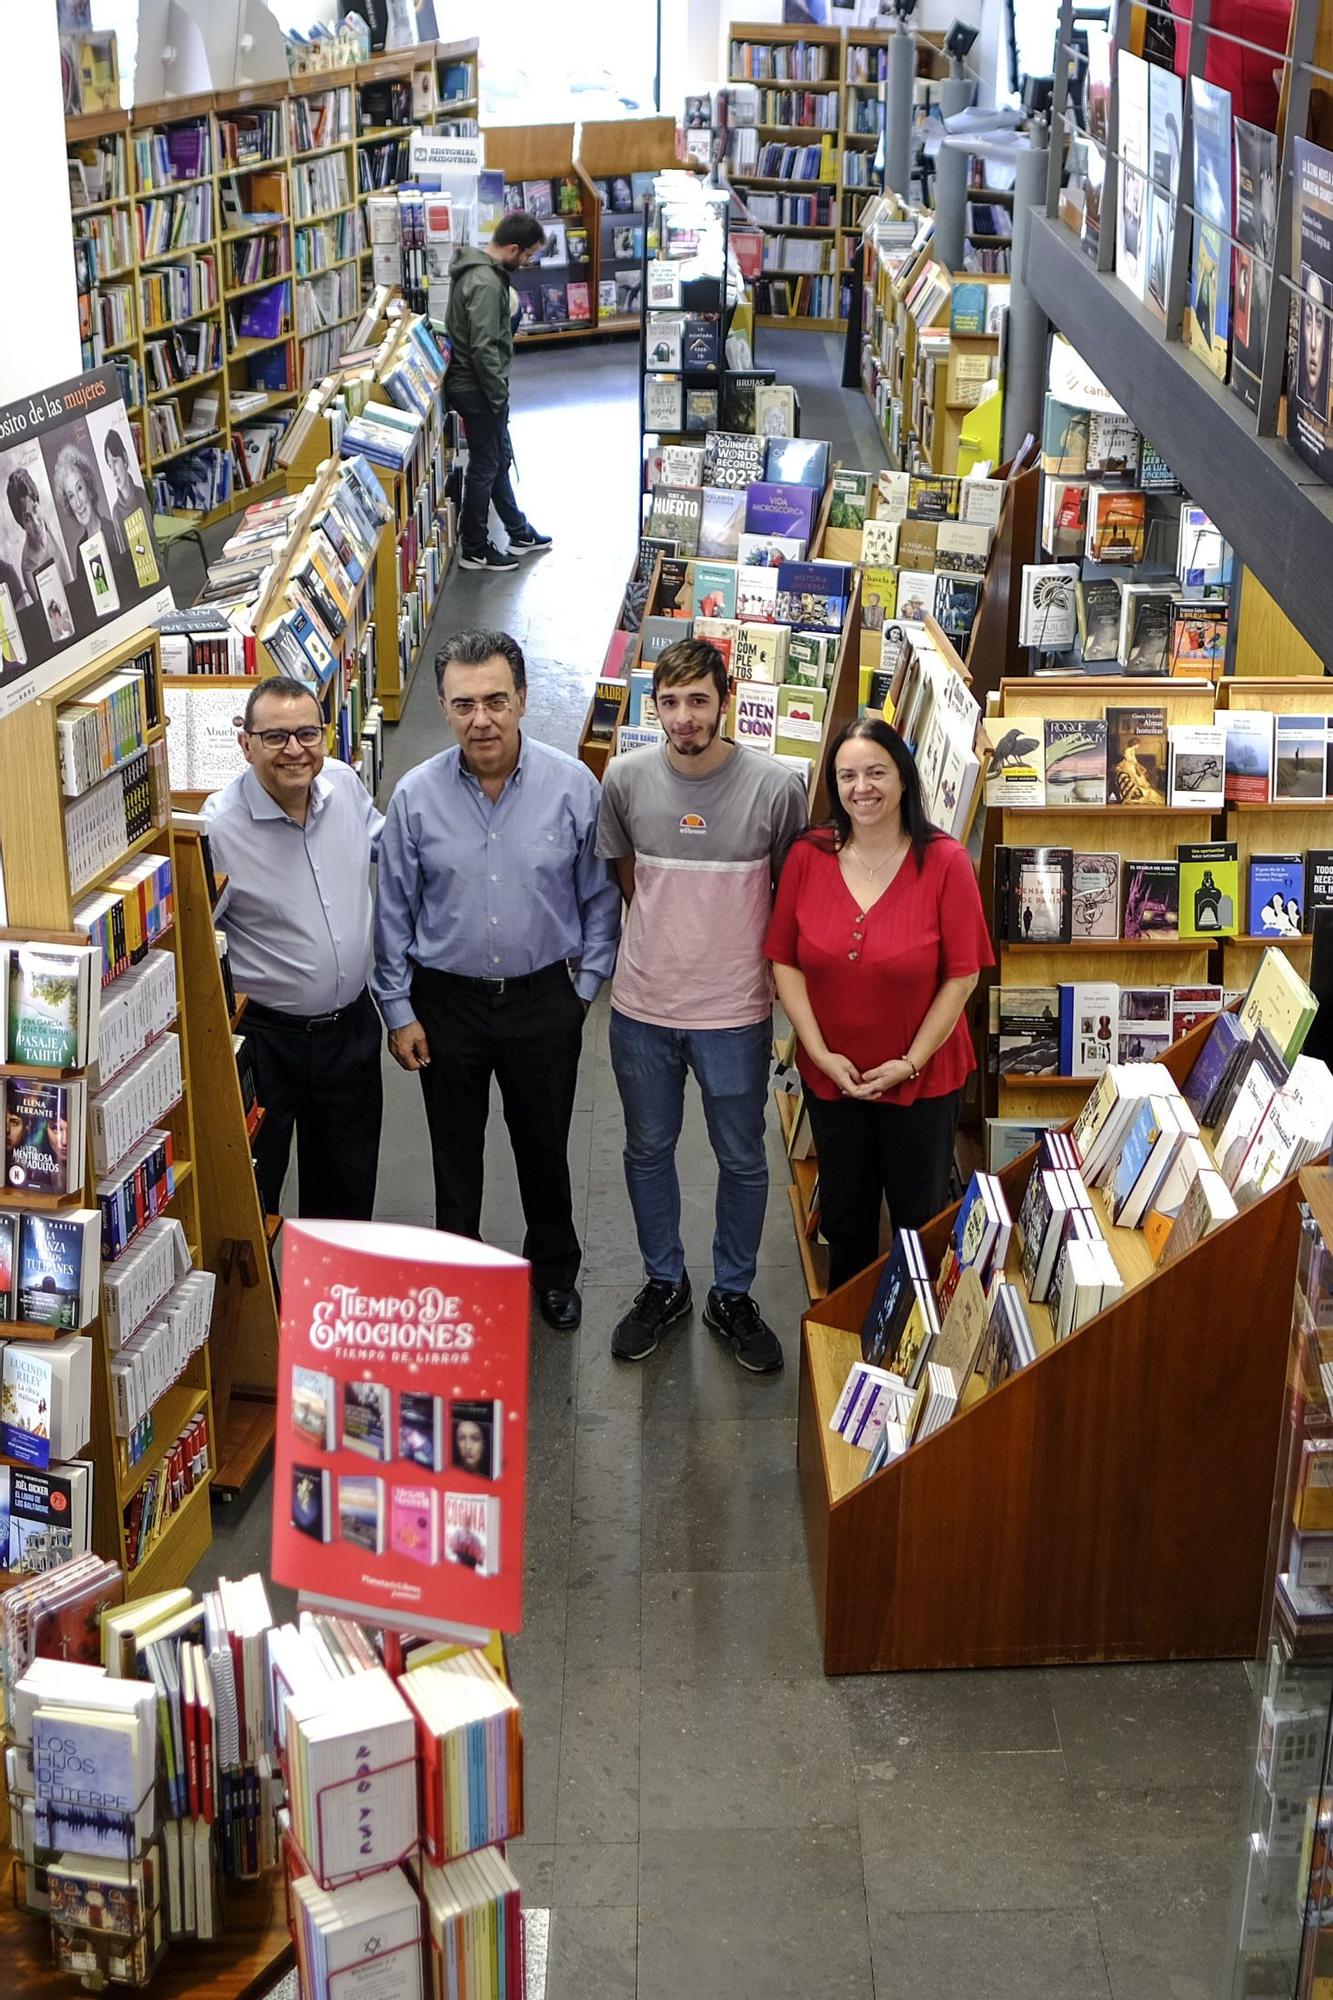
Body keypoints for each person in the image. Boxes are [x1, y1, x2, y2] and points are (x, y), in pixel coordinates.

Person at [372, 628, 620, 1332]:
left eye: (494, 701)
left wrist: (581, 991)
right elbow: (393, 912)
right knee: (454, 1155)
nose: (480, 719)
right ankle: (460, 1277)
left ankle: (553, 1271)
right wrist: (397, 1009)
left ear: (522, 701)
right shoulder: (415, 799)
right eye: (463, 704)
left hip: (545, 998)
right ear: (445, 708)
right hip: (443, 1004)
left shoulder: (573, 786)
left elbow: (600, 898)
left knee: (543, 1147)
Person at [596, 637, 807, 1373]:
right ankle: (664, 1283)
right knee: (646, 1150)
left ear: (727, 698)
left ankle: (732, 1293)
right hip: (643, 1008)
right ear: (653, 706)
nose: (683, 718)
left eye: (697, 700)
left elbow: (788, 893)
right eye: (669, 702)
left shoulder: (777, 788)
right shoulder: (622, 779)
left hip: (735, 1012)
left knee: (742, 1158)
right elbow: (628, 875)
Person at [765, 717, 993, 1293]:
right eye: (847, 776)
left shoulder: (945, 863)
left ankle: (912, 1343)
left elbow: (961, 978)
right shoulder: (807, 855)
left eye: (876, 772)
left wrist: (910, 1061)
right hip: (832, 1077)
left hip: (922, 1079)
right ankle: (848, 1333)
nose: (861, 787)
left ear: (903, 778)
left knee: (918, 1219)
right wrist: (818, 1052)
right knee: (847, 1218)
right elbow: (784, 961)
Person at [203, 677, 384, 1220]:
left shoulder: (344, 784)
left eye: (308, 733)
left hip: (350, 1032)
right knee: (259, 1196)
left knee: (348, 1193)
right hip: (267, 1041)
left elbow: (382, 843)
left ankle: (334, 1304)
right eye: (276, 737)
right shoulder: (219, 829)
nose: (295, 750)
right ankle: (272, 1307)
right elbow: (198, 939)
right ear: (246, 743)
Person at [445, 212, 553, 574]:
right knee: (486, 465)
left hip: (476, 385)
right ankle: (474, 547)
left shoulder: (477, 273)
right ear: (512, 248)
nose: (528, 262)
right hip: (478, 389)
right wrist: (497, 397)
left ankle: (517, 530)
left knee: (495, 459)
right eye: (527, 255)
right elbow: (484, 347)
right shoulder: (487, 284)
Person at [7, 467, 68, 605]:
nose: (35, 522)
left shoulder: (55, 529)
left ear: (38, 504)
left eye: (35, 509)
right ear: (21, 523)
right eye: (27, 518)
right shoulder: (28, 568)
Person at [103, 429, 145, 552]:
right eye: (110, 466)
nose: (114, 473)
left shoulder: (141, 495)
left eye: (115, 461)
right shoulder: (116, 512)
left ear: (125, 459)